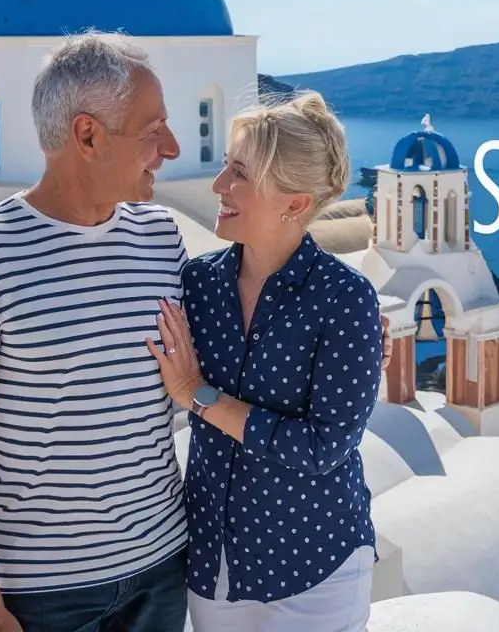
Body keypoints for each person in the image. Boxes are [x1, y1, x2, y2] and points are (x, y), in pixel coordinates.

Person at [0, 32, 192, 631]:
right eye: (153, 130)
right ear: (88, 135)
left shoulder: (162, 237)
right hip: (43, 595)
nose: (172, 147)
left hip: (163, 568)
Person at [145, 91, 385, 631]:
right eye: (226, 166)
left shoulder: (345, 299)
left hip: (316, 567)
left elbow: (322, 448)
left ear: (294, 204)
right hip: (215, 564)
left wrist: (198, 395)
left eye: (240, 174)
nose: (218, 185)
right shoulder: (198, 284)